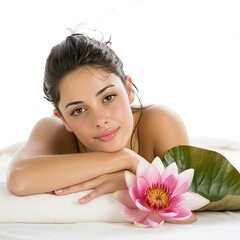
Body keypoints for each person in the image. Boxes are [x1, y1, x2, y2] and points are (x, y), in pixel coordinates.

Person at [6, 33, 189, 204]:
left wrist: (135, 178)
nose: (100, 120)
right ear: (63, 119)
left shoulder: (160, 122)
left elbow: (193, 192)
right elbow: (19, 179)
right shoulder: (54, 131)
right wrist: (126, 159)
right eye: (78, 110)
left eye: (108, 98)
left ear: (128, 89)